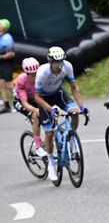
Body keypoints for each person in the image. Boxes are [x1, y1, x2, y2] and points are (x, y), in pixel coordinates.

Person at [35, 46, 88, 181]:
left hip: (58, 93)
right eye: (56, 63)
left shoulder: (67, 66)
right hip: (44, 99)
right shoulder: (42, 73)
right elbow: (37, 97)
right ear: (49, 62)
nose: (59, 66)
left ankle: (72, 137)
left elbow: (74, 87)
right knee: (49, 133)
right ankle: (51, 162)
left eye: (61, 62)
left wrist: (81, 106)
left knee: (74, 112)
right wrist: (50, 109)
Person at [14, 57, 47, 157]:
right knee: (35, 115)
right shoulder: (21, 80)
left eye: (36, 73)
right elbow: (24, 102)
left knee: (50, 114)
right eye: (32, 75)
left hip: (34, 99)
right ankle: (38, 147)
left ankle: (46, 143)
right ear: (27, 74)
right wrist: (36, 110)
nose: (35, 76)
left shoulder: (42, 77)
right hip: (21, 101)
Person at [0, 19, 16, 113]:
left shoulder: (7, 38)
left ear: (4, 27)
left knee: (9, 84)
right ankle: (6, 106)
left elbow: (12, 53)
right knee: (1, 84)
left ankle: (21, 101)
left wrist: (1, 57)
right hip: (1, 63)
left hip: (7, 62)